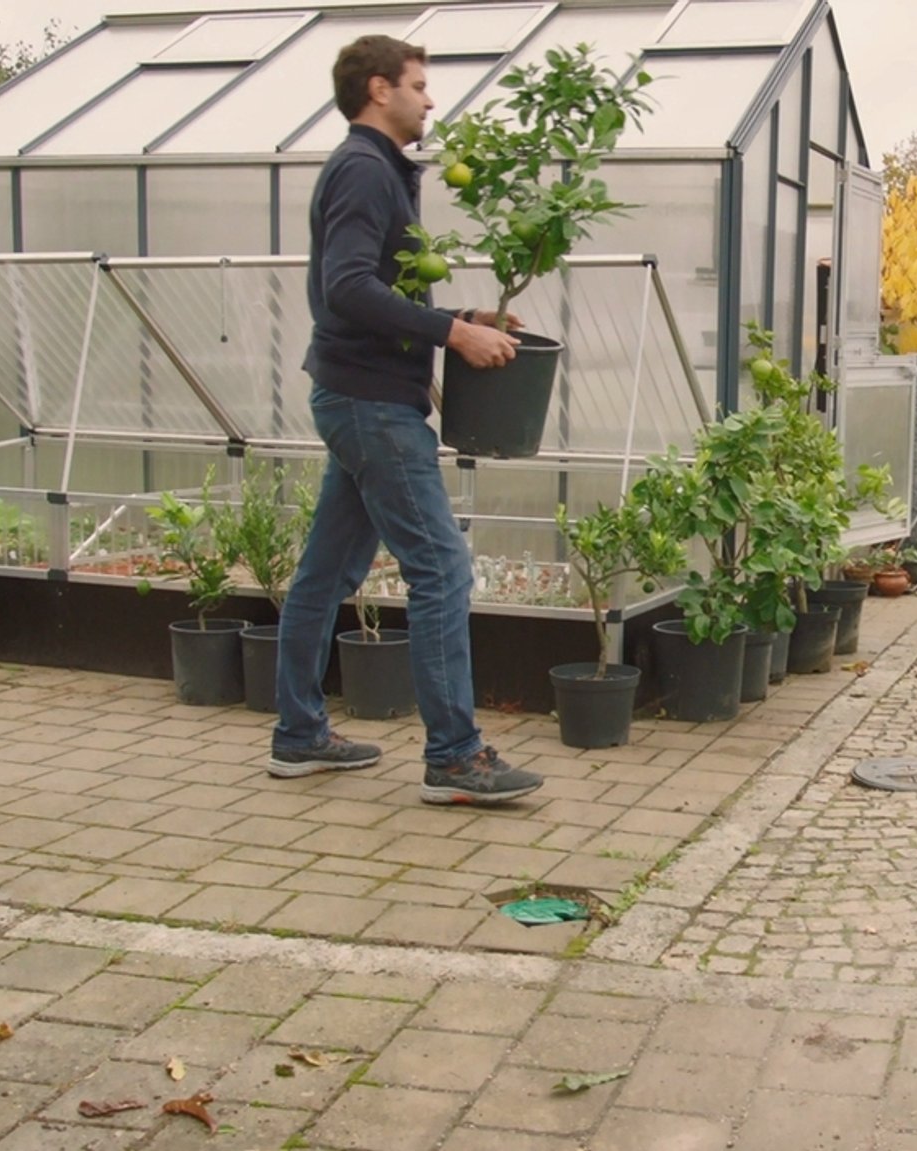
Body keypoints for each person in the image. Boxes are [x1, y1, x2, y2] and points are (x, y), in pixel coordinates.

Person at [269, 34, 543, 805]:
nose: (430, 100)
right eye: (419, 86)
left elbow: (368, 292)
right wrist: (452, 333)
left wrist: (461, 312)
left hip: (360, 394)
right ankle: (454, 756)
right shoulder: (363, 170)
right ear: (378, 89)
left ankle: (298, 733)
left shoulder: (379, 170)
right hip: (371, 403)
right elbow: (348, 287)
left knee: (325, 575)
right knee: (442, 569)